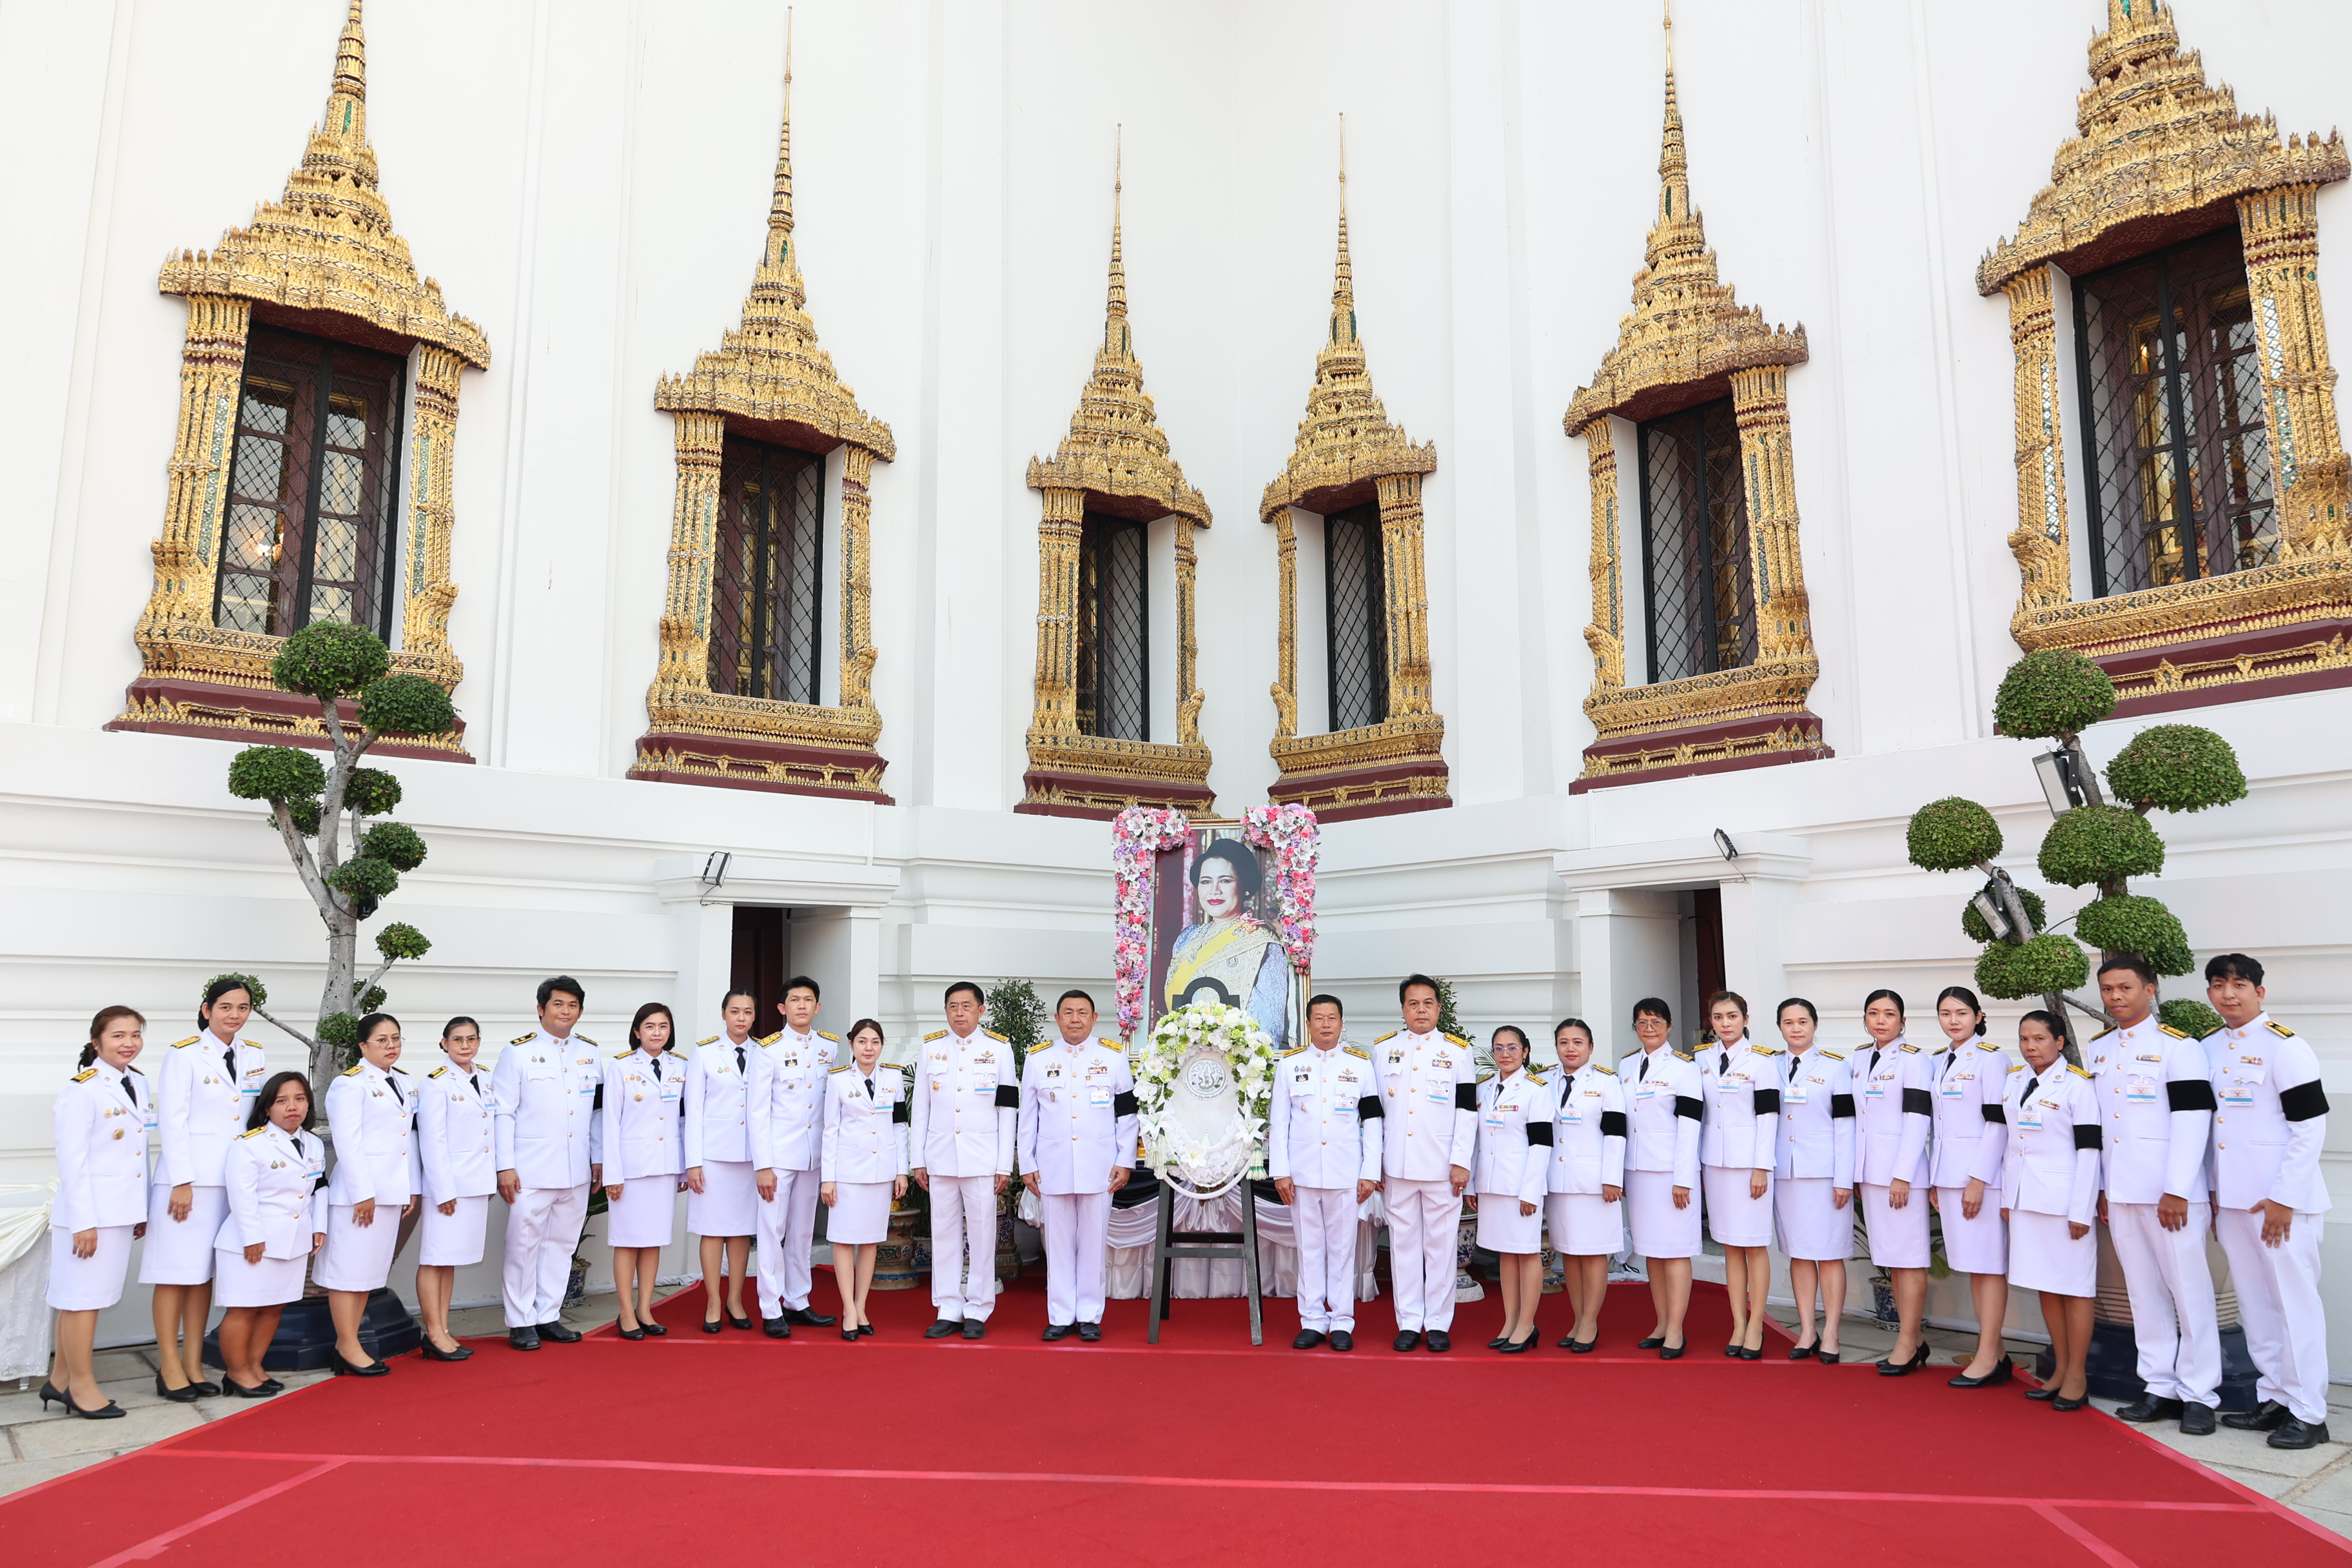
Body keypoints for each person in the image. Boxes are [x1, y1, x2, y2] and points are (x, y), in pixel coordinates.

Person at [2083, 956, 2220, 1435]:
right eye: (2107, 989)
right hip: (2121, 1191)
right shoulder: (2099, 1049)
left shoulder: (2179, 1048)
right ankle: (2159, 1384)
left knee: (2190, 1293)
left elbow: (2192, 1121)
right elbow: (2099, 1128)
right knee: (2143, 1293)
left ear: (2150, 989)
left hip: (2170, 1195)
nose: (2115, 997)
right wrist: (2100, 1188)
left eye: (2125, 987)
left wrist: (2178, 1189)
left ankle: (2200, 1393)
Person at [2204, 954, 2333, 1449]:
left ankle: (2309, 1412)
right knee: (2257, 1307)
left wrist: (2285, 1198)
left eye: (2238, 985)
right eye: (2218, 985)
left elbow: (2309, 1129)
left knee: (2294, 1304)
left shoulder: (2287, 1048)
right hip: (2235, 1202)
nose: (2228, 994)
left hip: (2281, 1205)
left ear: (2260, 991)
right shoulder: (2210, 1048)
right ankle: (2276, 1397)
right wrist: (2215, 1196)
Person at [141, 976, 267, 1399]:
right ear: (206, 1009)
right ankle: (170, 1365)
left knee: (202, 1277)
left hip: (230, 1181)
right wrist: (181, 1181)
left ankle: (194, 1364)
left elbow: (251, 1121)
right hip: (189, 1183)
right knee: (174, 1274)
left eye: (243, 1007)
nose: (235, 1015)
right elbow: (173, 1121)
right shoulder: (184, 1056)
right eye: (226, 1007)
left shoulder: (254, 1055)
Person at [42, 1006, 150, 1420]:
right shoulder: (82, 1090)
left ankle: (60, 1379)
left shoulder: (135, 1084)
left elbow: (136, 1154)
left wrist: (138, 1209)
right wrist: (84, 1223)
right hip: (88, 1218)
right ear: (96, 1042)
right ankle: (82, 1388)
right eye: (118, 1035)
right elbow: (73, 1163)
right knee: (81, 1300)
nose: (129, 1043)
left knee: (84, 1299)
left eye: (135, 1035)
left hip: (119, 1213)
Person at [1018, 990, 1137, 1342]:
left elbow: (1127, 1116)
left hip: (1100, 1166)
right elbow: (1028, 1118)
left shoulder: (1114, 1057)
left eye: (1081, 1013)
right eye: (1067, 1013)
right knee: (1056, 1243)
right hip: (1052, 1166)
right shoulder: (1038, 1059)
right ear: (1057, 1019)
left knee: (1092, 1242)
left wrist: (1125, 1160)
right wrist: (1027, 1163)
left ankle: (1088, 1314)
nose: (1074, 1019)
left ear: (1093, 1018)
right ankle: (1060, 1314)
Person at [494, 975, 601, 1351]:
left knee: (561, 1244)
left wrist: (598, 1158)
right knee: (523, 1245)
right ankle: (520, 1320)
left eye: (572, 1006)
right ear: (541, 1009)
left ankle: (547, 1315)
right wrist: (504, 1166)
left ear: (580, 1012)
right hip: (530, 1171)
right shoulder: (517, 1052)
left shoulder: (590, 1052)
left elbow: (596, 1113)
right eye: (558, 1004)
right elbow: (503, 1113)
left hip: (574, 1170)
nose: (565, 1012)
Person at [1269, 993, 1381, 1353]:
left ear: (1342, 1022)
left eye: (1332, 1018)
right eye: (1319, 1018)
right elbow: (1279, 1121)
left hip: (1345, 1173)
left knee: (1343, 1248)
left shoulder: (1361, 1067)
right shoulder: (1289, 1065)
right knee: (1309, 1248)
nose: (1326, 1025)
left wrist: (1370, 1171)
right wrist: (1281, 1172)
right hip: (1301, 1175)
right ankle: (1313, 1320)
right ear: (1309, 1024)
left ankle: (1342, 1321)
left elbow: (1374, 1122)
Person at [1373, 974, 1477, 1353]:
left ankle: (1437, 1322)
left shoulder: (1457, 1051)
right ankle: (1408, 1321)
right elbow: (1375, 1114)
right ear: (1403, 1008)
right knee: (1403, 1246)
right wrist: (1375, 1164)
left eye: (1428, 1003)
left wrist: (1462, 1162)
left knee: (1441, 1246)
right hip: (1396, 1167)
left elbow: (1467, 1111)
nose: (1421, 1010)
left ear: (1439, 1007)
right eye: (1413, 1003)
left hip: (1441, 1168)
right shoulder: (1383, 1050)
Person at [2002, 1009, 2100, 1411]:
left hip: (2064, 1203)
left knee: (2075, 1287)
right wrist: (2009, 1199)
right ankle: (2059, 1368)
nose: (2030, 1047)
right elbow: (2011, 1144)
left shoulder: (2078, 1086)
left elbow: (2090, 1149)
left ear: (2059, 1042)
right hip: (2026, 1199)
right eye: (2025, 1039)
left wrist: (2082, 1209)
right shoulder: (2014, 1081)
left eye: (2040, 1038)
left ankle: (2077, 1373)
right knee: (2046, 1283)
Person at [910, 980, 1017, 1339]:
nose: (959, 1012)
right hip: (940, 1158)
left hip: (982, 1159)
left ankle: (978, 1308)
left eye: (966, 1006)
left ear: (981, 1010)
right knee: (943, 1234)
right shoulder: (932, 1049)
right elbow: (920, 1109)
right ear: (946, 1011)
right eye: (953, 1006)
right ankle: (948, 1306)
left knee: (983, 1234)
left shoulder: (1000, 1050)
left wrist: (1004, 1164)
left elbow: (1007, 1110)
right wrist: (918, 1159)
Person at [213, 1072, 326, 1397]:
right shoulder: (251, 1144)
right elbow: (241, 1195)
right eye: (282, 1101)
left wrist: (319, 1228)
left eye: (300, 1099)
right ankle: (236, 1373)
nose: (293, 1107)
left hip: (292, 1240)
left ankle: (254, 1366)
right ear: (267, 1108)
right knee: (243, 1309)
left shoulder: (313, 1143)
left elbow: (318, 1190)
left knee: (273, 1308)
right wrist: (252, 1238)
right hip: (252, 1242)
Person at [317, 1012, 416, 1376]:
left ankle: (351, 1342)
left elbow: (405, 1143)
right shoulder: (350, 1084)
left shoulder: (402, 1082)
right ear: (363, 1046)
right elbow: (348, 1143)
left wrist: (408, 1188)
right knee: (349, 1272)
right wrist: (363, 1193)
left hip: (389, 1193)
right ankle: (347, 1345)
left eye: (396, 1039)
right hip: (360, 1197)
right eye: (382, 1040)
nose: (391, 1046)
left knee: (368, 1274)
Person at [1927, 985, 2014, 1390]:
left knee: (1988, 1266)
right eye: (1946, 1013)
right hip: (1948, 1178)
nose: (1954, 1020)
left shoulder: (1992, 1059)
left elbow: (1998, 1123)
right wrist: (1934, 1178)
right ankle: (1994, 1352)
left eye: (1962, 1012)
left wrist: (1979, 1180)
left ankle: (1987, 1353)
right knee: (1974, 1267)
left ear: (1978, 1016)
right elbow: (1938, 1127)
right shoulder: (1938, 1060)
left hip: (1980, 1180)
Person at [750, 975, 839, 1337]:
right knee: (772, 1231)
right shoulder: (768, 1049)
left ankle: (798, 1300)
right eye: (794, 1000)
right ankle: (771, 1308)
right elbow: (758, 1112)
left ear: (817, 1007)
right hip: (779, 1157)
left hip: (814, 1156)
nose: (802, 1006)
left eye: (808, 1000)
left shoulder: (830, 1048)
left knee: (803, 1232)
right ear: (782, 1008)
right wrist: (763, 1166)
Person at [1853, 988, 1934, 1375]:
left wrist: (1902, 1174)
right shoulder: (1859, 1059)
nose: (1881, 1020)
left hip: (1901, 1177)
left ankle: (1906, 1341)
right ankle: (1914, 1338)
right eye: (1874, 1013)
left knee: (1910, 1260)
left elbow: (1918, 1120)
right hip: (1871, 1176)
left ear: (1903, 1021)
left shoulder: (1914, 1062)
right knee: (1891, 1261)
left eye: (1889, 1014)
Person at [1696, 992, 1780, 1360]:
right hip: (1715, 1163)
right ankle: (1738, 1323)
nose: (1725, 1023)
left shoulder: (1762, 1061)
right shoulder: (1700, 1059)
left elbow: (1768, 1116)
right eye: (1718, 1017)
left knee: (1754, 1245)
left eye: (1732, 1016)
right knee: (1730, 1245)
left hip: (1750, 1167)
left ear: (1746, 1019)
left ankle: (1758, 1323)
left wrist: (1762, 1166)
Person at [1771, 998, 1852, 1364]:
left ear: (1815, 1025)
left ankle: (1832, 1331)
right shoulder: (1768, 1065)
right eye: (1788, 1023)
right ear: (1780, 1028)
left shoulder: (1836, 1068)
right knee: (1800, 1252)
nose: (1796, 1028)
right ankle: (1807, 1330)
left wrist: (1844, 1178)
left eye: (1803, 1021)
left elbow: (1846, 1126)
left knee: (1830, 1253)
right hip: (1785, 1173)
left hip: (1825, 1173)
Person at [1620, 996, 1701, 1359]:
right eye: (1641, 1022)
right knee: (1651, 1250)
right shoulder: (1624, 1066)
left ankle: (1677, 1329)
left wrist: (1683, 1178)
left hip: (1671, 1173)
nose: (1648, 1029)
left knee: (1676, 1249)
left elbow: (1690, 1126)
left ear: (1668, 1027)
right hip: (1637, 1173)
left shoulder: (1685, 1068)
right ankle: (1661, 1321)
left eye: (1655, 1022)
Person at [599, 1003, 685, 1340]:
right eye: (649, 1026)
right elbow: (610, 1122)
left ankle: (645, 1308)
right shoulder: (621, 1067)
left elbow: (681, 1120)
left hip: (665, 1167)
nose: (657, 1033)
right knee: (627, 1241)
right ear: (637, 1031)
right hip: (631, 1170)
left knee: (653, 1242)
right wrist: (613, 1175)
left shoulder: (680, 1066)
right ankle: (625, 1311)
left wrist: (681, 1171)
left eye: (663, 1026)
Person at [821, 1018, 908, 1340]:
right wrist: (827, 1178)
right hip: (846, 1173)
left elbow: (899, 1126)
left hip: (881, 1172)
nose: (868, 1048)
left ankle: (861, 1306)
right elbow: (830, 1130)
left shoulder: (894, 1077)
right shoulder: (840, 1080)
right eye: (861, 1041)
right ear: (852, 1045)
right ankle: (846, 1308)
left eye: (874, 1042)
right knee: (844, 1240)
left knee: (870, 1240)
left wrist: (902, 1170)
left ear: (882, 1045)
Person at [415, 1016, 495, 1360]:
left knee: (450, 1261)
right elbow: (432, 1141)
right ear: (444, 1044)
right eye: (458, 1039)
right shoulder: (435, 1083)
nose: (465, 1045)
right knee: (435, 1258)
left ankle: (443, 1329)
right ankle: (433, 1332)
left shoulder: (487, 1079)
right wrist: (443, 1189)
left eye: (472, 1039)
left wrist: (490, 1177)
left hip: (476, 1183)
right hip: (449, 1186)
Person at [1543, 1017, 1623, 1353]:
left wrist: (1612, 1180)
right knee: (1570, 1254)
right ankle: (1577, 1319)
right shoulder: (1544, 1081)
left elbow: (1617, 1132)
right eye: (1564, 1042)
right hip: (1558, 1181)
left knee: (1593, 1254)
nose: (1570, 1048)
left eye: (1578, 1042)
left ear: (1590, 1048)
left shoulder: (1606, 1082)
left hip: (1594, 1183)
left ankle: (1590, 1321)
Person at [1469, 1025, 1551, 1353]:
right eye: (1499, 1048)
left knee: (1527, 1251)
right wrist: (1472, 1185)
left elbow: (1541, 1144)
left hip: (1520, 1187)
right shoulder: (1485, 1088)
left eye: (1513, 1048)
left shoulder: (1536, 1090)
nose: (1505, 1054)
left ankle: (1527, 1324)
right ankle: (1510, 1320)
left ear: (1526, 1052)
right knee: (1506, 1253)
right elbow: (1477, 1140)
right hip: (1491, 1184)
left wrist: (1531, 1191)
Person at [1163, 838, 1289, 1051]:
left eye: (1225, 881)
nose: (1214, 891)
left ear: (1245, 886)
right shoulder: (1187, 939)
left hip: (1237, 1066)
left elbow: (1268, 1031)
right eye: (1206, 882)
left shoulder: (1265, 946)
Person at [685, 990, 761, 1332]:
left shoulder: (765, 1052)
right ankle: (714, 1300)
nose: (741, 1018)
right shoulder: (704, 1054)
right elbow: (693, 1112)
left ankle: (736, 1299)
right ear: (723, 1014)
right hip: (713, 1156)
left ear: (755, 1016)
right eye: (735, 1011)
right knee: (713, 1230)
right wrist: (693, 1162)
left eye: (747, 1012)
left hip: (751, 1157)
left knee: (743, 1230)